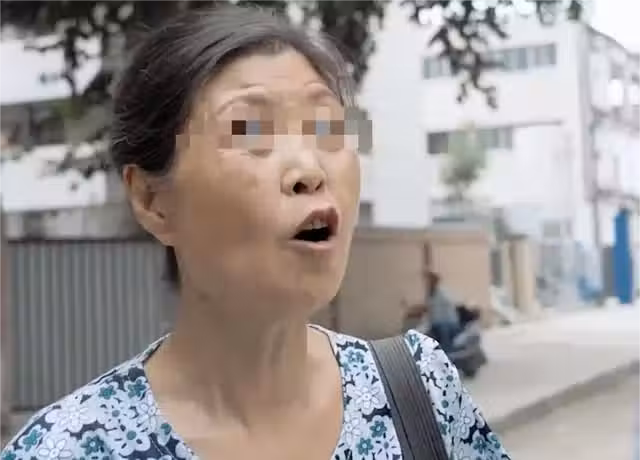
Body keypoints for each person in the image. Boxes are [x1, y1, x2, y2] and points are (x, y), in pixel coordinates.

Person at [1, 6, 511, 459]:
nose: (309, 169)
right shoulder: (69, 447)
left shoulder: (418, 393)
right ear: (153, 200)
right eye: (249, 131)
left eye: (328, 129)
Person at [423, 270, 462, 353]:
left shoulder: (441, 292)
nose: (427, 283)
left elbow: (449, 303)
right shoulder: (431, 293)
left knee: (445, 347)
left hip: (446, 323)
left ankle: (449, 357)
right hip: (437, 324)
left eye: (430, 281)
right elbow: (429, 307)